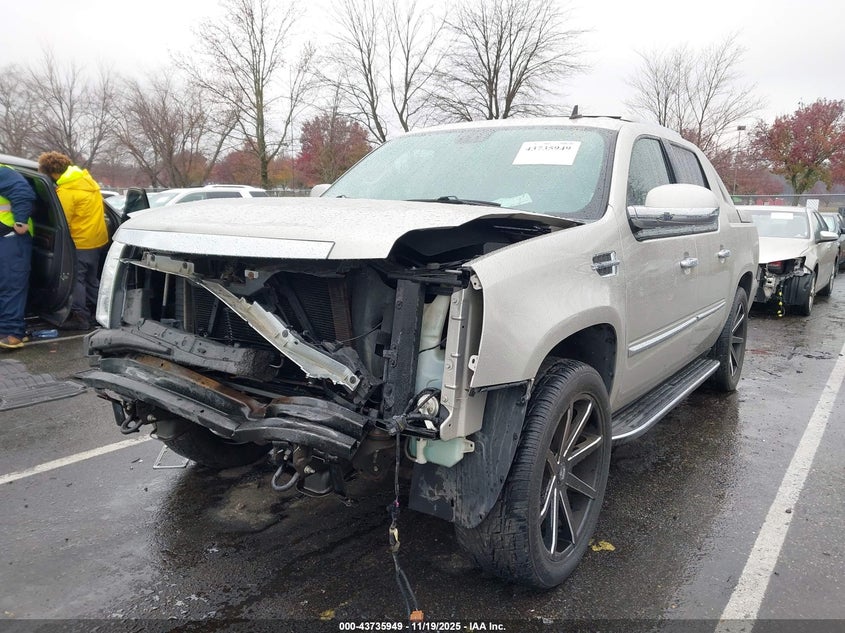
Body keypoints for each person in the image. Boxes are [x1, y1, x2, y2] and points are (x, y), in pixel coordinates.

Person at [37, 151, 108, 330]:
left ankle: (80, 317)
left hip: (79, 242)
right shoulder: (88, 182)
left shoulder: (67, 191)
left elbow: (61, 221)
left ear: (52, 173)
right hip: (96, 240)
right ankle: (104, 314)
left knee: (77, 280)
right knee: (92, 280)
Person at [0, 164, 36, 349]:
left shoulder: (3, 172)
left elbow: (23, 192)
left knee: (11, 284)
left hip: (11, 237)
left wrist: (20, 221)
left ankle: (12, 333)